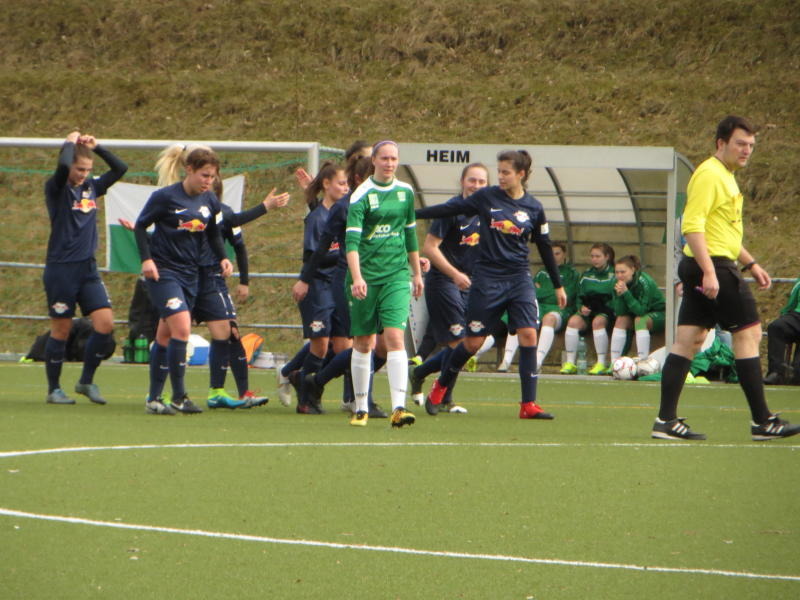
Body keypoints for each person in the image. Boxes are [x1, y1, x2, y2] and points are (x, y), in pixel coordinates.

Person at [652, 115, 799, 441]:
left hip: (712, 263)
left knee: (687, 341)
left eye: (751, 145)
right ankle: (763, 421)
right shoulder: (709, 174)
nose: (746, 150)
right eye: (740, 144)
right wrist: (709, 271)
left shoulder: (726, 176)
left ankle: (665, 421)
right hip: (713, 266)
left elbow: (724, 232)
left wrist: (751, 263)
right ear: (721, 143)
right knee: (749, 335)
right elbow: (692, 226)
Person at [416, 149, 566, 419]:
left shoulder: (534, 208)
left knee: (529, 334)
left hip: (519, 278)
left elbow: (544, 246)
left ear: (521, 174)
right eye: (499, 171)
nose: (501, 177)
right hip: (487, 279)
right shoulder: (487, 198)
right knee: (473, 343)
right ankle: (440, 387)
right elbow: (451, 208)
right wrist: (412, 212)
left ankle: (528, 405)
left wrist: (558, 285)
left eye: (506, 172)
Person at [134, 145, 232, 415]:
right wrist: (146, 259)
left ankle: (154, 398)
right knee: (182, 329)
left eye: (212, 177)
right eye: (204, 175)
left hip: (190, 274)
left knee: (165, 335)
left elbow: (213, 232)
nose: (208, 181)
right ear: (188, 170)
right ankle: (179, 396)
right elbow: (141, 225)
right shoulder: (165, 197)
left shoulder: (209, 200)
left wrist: (222, 257)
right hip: (164, 272)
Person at [42, 131, 128, 405]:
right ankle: (54, 389)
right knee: (61, 330)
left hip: (88, 270)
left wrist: (97, 147)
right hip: (61, 270)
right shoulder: (56, 188)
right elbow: (61, 168)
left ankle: (86, 381)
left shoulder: (91, 188)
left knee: (105, 325)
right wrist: (68, 143)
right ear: (70, 167)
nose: (83, 174)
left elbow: (120, 169)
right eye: (79, 169)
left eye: (87, 170)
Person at [345, 140, 422, 427]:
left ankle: (399, 408)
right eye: (384, 158)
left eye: (394, 158)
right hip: (365, 276)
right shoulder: (361, 195)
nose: (390, 163)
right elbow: (351, 242)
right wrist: (357, 277)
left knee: (394, 338)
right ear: (374, 161)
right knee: (364, 342)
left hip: (396, 275)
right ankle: (361, 406)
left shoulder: (405, 192)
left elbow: (411, 234)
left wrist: (416, 273)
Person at [409, 163, 489, 411]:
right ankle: (443, 397)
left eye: (481, 182)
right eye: (471, 180)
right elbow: (430, 248)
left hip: (470, 284)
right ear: (462, 182)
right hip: (444, 282)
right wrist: (454, 274)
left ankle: (421, 372)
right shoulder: (452, 211)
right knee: (458, 343)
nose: (475, 186)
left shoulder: (488, 213)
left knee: (469, 345)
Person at [290, 162, 351, 413]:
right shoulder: (316, 218)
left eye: (347, 183)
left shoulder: (343, 214)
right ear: (326, 185)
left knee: (343, 349)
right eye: (341, 183)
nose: (346, 188)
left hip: (337, 285)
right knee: (319, 345)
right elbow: (315, 255)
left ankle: (304, 379)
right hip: (318, 285)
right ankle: (307, 399)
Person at [560, 243, 616, 375]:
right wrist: (581, 308)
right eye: (592, 256)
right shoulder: (586, 275)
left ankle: (601, 363)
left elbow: (614, 298)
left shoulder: (614, 274)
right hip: (588, 311)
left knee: (598, 322)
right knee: (573, 321)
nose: (594, 259)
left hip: (605, 311)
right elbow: (579, 296)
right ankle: (570, 363)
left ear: (607, 257)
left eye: (598, 256)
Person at [608, 255, 666, 362]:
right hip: (635, 313)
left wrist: (626, 293)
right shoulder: (615, 283)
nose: (619, 275)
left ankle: (643, 361)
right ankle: (615, 362)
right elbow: (620, 312)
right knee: (621, 319)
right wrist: (620, 295)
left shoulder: (644, 282)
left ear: (633, 270)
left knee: (640, 320)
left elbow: (641, 311)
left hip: (659, 313)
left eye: (623, 272)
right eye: (617, 272)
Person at [533, 241, 580, 371]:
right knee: (519, 317)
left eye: (557, 253)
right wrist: (555, 292)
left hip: (560, 310)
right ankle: (506, 362)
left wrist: (543, 291)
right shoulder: (542, 272)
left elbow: (567, 296)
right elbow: (532, 292)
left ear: (564, 254)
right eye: (550, 254)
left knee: (549, 319)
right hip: (541, 308)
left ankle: (537, 361)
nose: (554, 256)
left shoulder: (572, 273)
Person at [764, 276, 800, 385]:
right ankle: (776, 372)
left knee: (798, 376)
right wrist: (785, 314)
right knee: (777, 327)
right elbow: (793, 298)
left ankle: (795, 373)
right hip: (797, 315)